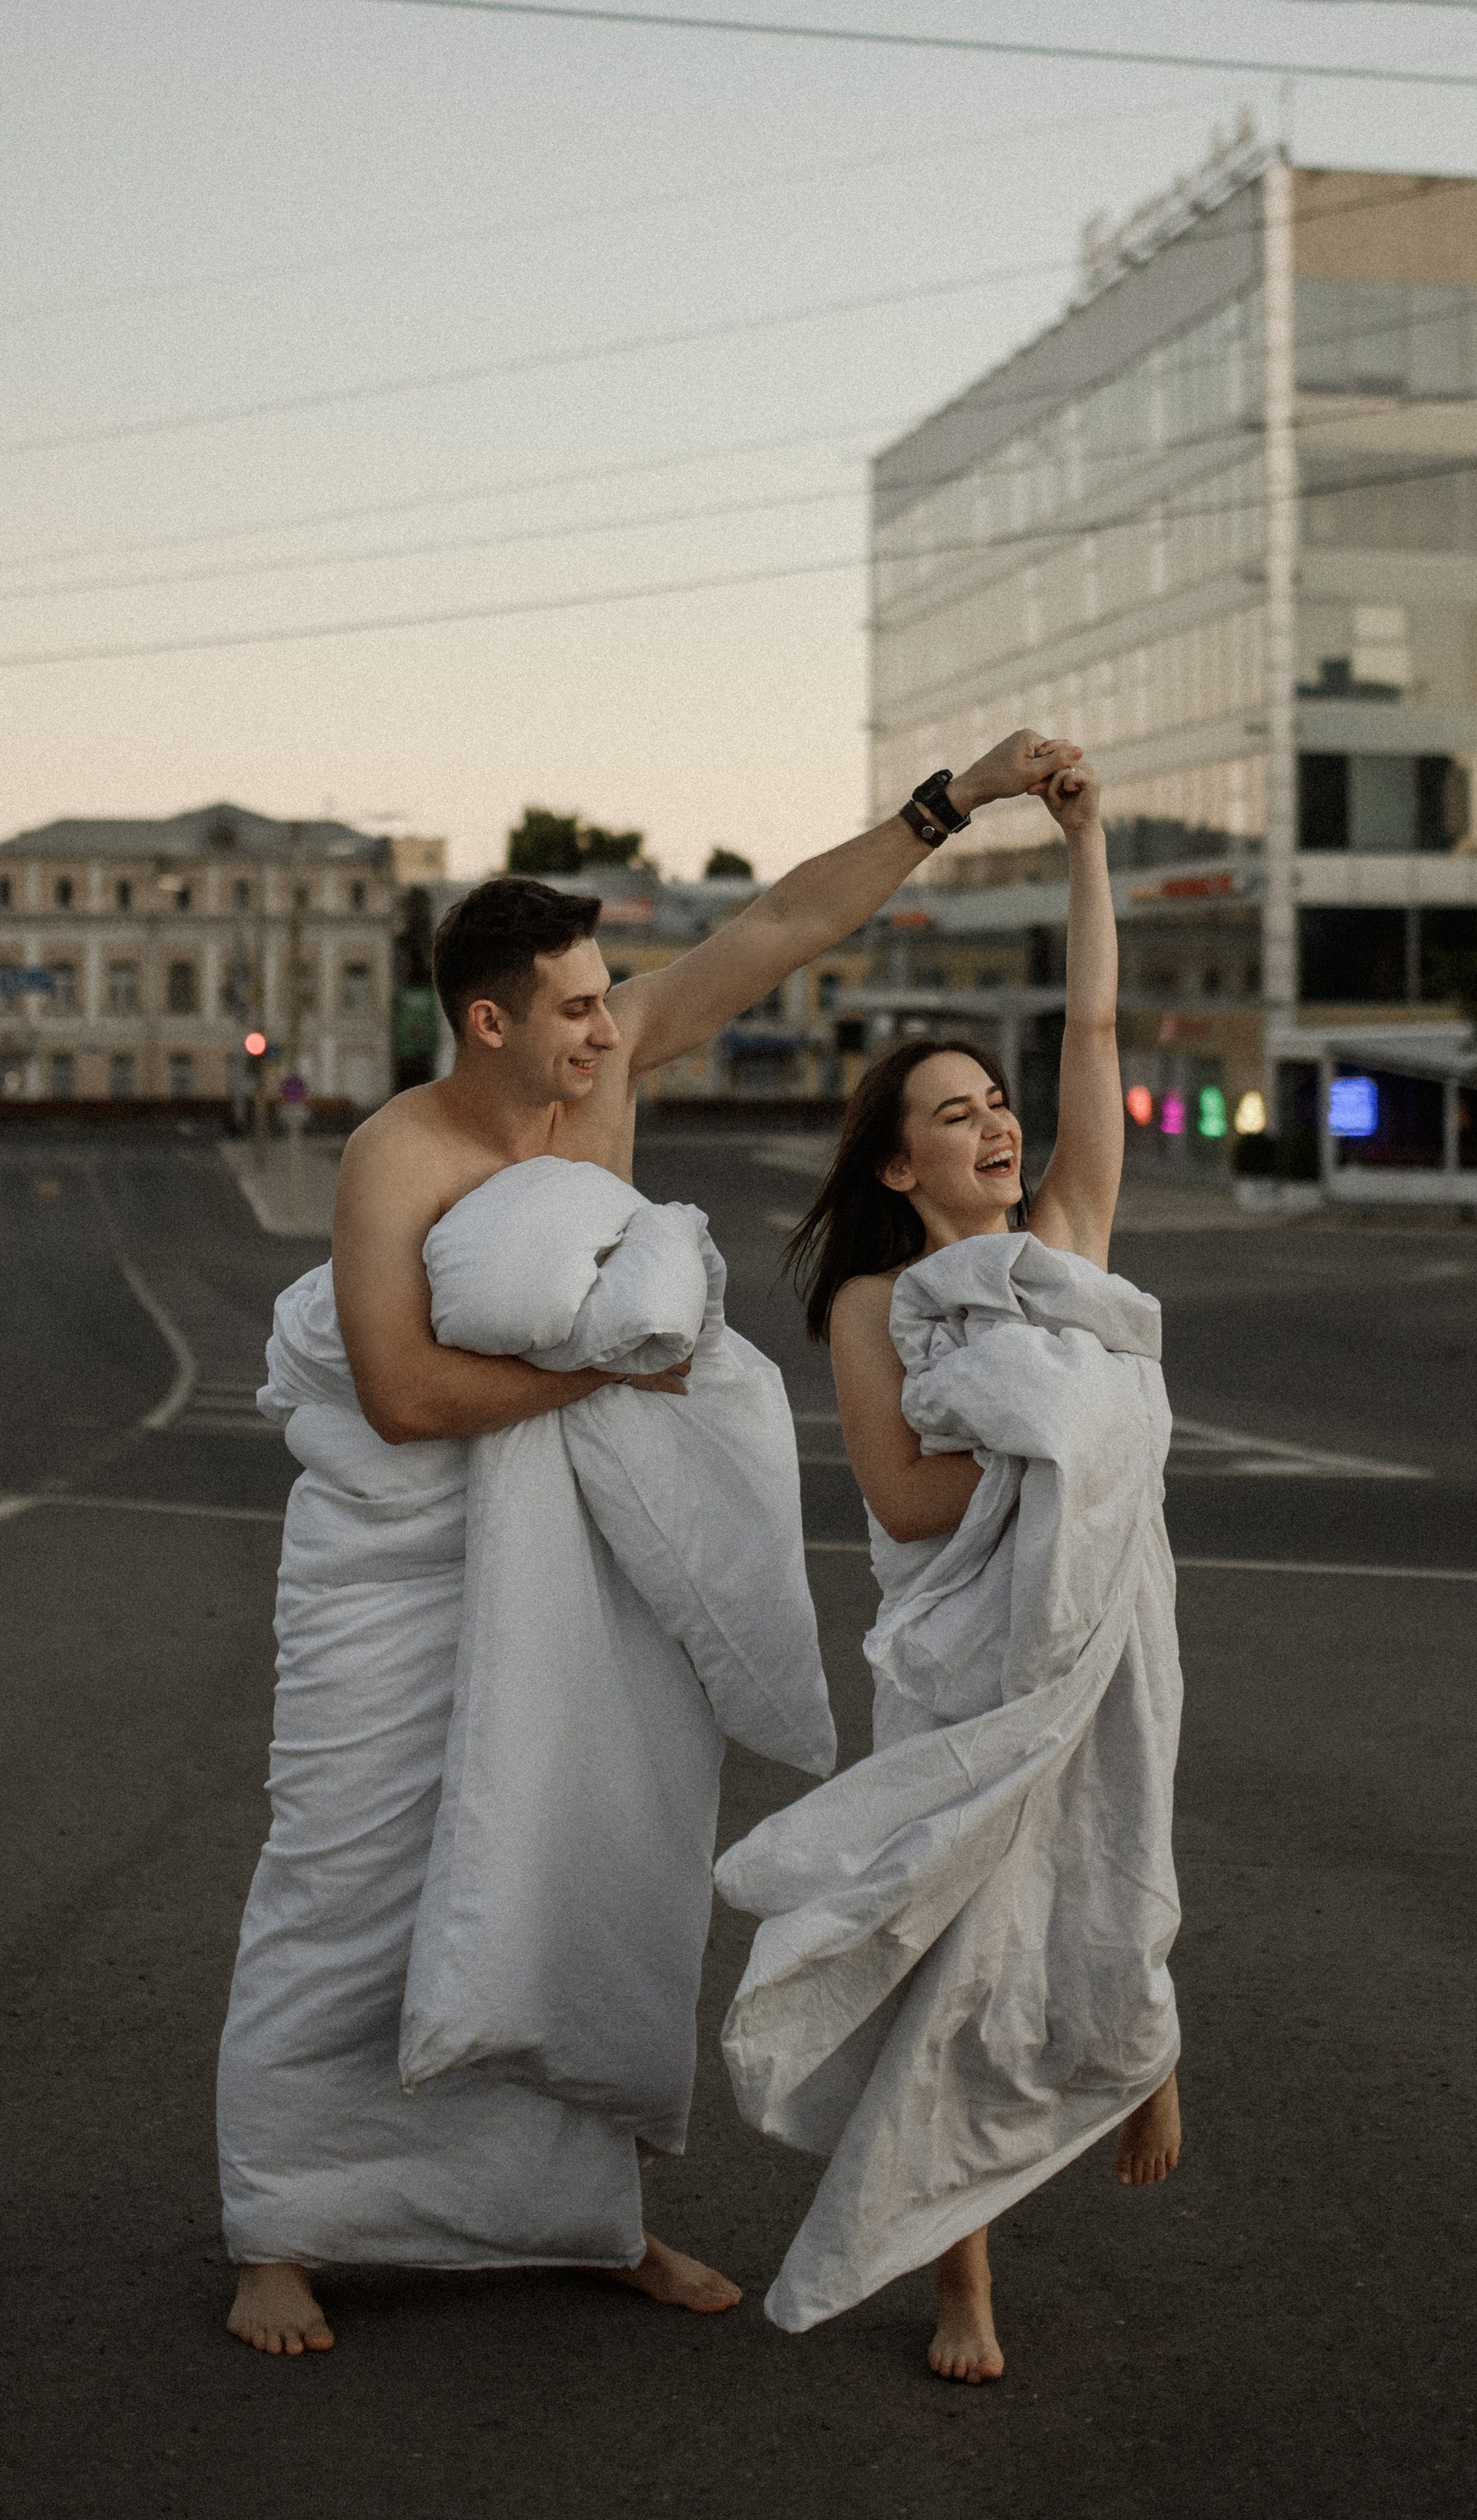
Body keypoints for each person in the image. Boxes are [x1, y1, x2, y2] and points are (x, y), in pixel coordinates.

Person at [219, 728, 1079, 2356]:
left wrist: (953, 804)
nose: (613, 1027)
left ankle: (580, 2218)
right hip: (395, 1563)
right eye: (577, 1007)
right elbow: (400, 1393)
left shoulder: (603, 1074)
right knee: (342, 1880)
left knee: (588, 1862)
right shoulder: (398, 1155)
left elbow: (780, 927)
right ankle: (283, 2227)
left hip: (577, 1547)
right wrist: (606, 1369)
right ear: (491, 1021)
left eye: (608, 1000)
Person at [754, 757, 1182, 2383]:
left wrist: (1088, 846)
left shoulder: (1064, 1245)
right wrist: (1048, 1456)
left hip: (1099, 1625)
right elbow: (905, 1501)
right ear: (897, 1169)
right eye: (955, 1113)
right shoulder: (877, 1306)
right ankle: (961, 2279)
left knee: (1114, 1849)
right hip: (955, 1650)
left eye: (996, 1101)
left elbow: (1096, 1033)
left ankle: (1135, 2036)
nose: (998, 1122)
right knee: (950, 1947)